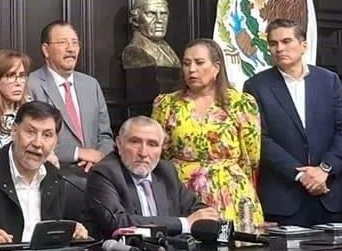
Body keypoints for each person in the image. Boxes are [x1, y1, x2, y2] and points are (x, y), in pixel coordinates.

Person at [244, 19, 342, 227]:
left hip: (330, 194)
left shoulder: (328, 80)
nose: (279, 48)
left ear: (303, 45)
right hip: (284, 198)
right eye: (273, 43)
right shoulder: (256, 86)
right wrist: (301, 175)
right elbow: (260, 139)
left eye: (286, 41)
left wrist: (324, 169)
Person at [0, 101, 89, 244]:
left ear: (56, 142)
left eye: (47, 135)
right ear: (14, 131)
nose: (37, 143)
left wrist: (72, 232)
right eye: (30, 132)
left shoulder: (55, 178)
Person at [152, 39, 264, 228]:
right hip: (182, 191)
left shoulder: (241, 103)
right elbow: (160, 154)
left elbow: (251, 158)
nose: (192, 69)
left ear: (216, 67)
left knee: (234, 243)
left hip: (230, 192)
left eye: (199, 62)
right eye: (186, 63)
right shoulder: (166, 104)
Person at [85, 116, 219, 238]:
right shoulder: (105, 172)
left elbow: (196, 209)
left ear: (161, 148)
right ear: (119, 144)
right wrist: (183, 223)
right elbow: (117, 222)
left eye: (152, 144)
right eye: (135, 142)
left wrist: (208, 218)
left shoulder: (165, 171)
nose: (143, 153)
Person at [28, 20, 114, 171]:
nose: (71, 49)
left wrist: (99, 155)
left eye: (75, 43)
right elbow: (28, 138)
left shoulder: (91, 85)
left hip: (96, 170)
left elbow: (105, 135)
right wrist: (77, 153)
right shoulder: (31, 84)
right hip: (53, 171)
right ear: (46, 50)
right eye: (62, 43)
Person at [121, 0, 181, 69]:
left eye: (163, 14)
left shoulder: (168, 49)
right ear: (135, 20)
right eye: (151, 14)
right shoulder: (134, 51)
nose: (159, 20)